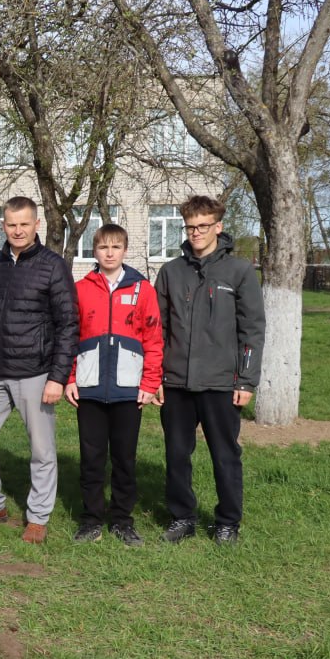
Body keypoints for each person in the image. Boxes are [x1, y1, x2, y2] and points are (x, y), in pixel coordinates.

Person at [0, 196, 78, 544]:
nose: (17, 230)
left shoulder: (52, 265)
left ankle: (38, 516)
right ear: (3, 226)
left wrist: (58, 377)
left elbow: (68, 323)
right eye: (11, 224)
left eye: (24, 224)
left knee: (41, 450)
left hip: (36, 372)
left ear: (36, 225)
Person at [155, 195, 264, 545]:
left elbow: (252, 330)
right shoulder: (171, 272)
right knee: (176, 453)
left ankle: (228, 521)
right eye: (190, 227)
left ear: (218, 226)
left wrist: (246, 379)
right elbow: (158, 329)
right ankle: (182, 517)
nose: (196, 233)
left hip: (221, 383)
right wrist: (155, 376)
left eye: (203, 226)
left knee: (224, 454)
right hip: (176, 383)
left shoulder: (239, 271)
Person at [64, 223, 163, 547]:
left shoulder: (142, 289)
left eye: (115, 247)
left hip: (128, 390)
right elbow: (70, 336)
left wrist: (149, 382)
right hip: (90, 388)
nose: (109, 253)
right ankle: (91, 520)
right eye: (103, 247)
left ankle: (122, 520)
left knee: (124, 458)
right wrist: (69, 378)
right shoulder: (81, 288)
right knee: (91, 458)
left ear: (124, 250)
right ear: (95, 251)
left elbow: (153, 338)